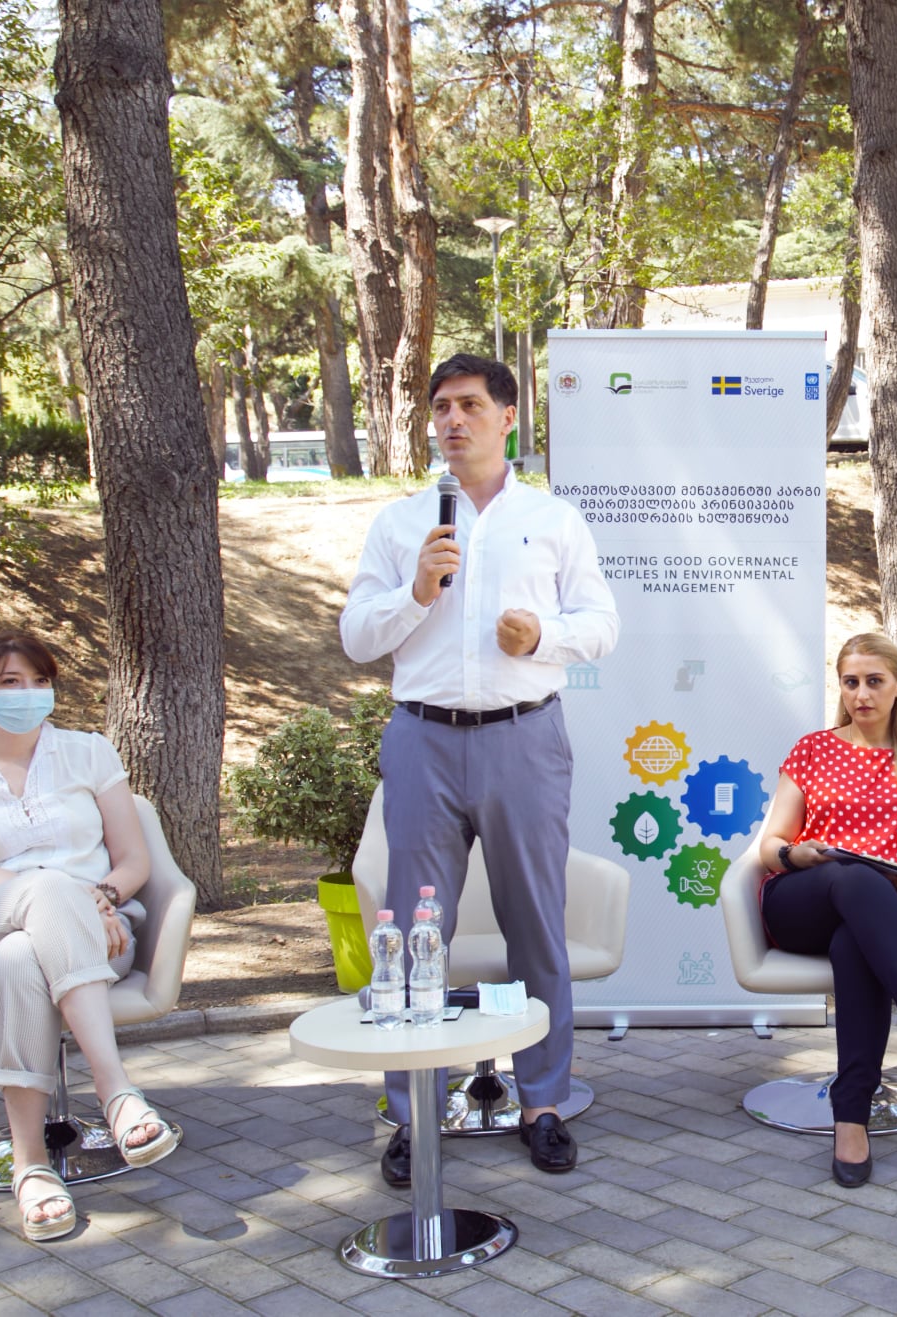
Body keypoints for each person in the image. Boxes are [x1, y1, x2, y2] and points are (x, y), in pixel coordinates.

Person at [341, 353, 619, 1185]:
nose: (452, 420)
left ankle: (544, 1102)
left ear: (507, 416)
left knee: (536, 923)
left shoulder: (553, 518)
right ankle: (412, 1111)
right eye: (441, 407)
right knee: (410, 931)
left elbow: (602, 623)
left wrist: (542, 637)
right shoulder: (402, 523)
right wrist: (416, 594)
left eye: (468, 404)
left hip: (524, 737)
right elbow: (357, 636)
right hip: (422, 738)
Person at [0, 632, 179, 1242]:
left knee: (19, 958)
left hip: (97, 933)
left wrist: (100, 898)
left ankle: (30, 1166)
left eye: (39, 681)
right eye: (10, 682)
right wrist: (70, 896)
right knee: (37, 902)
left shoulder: (89, 753)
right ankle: (116, 1091)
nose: (29, 693)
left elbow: (133, 860)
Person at [758, 633, 897, 1187]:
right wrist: (796, 854)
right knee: (855, 875)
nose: (862, 694)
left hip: (896, 903)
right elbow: (771, 844)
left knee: (855, 942)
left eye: (874, 681)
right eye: (851, 682)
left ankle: (851, 1116)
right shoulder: (813, 749)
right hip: (807, 898)